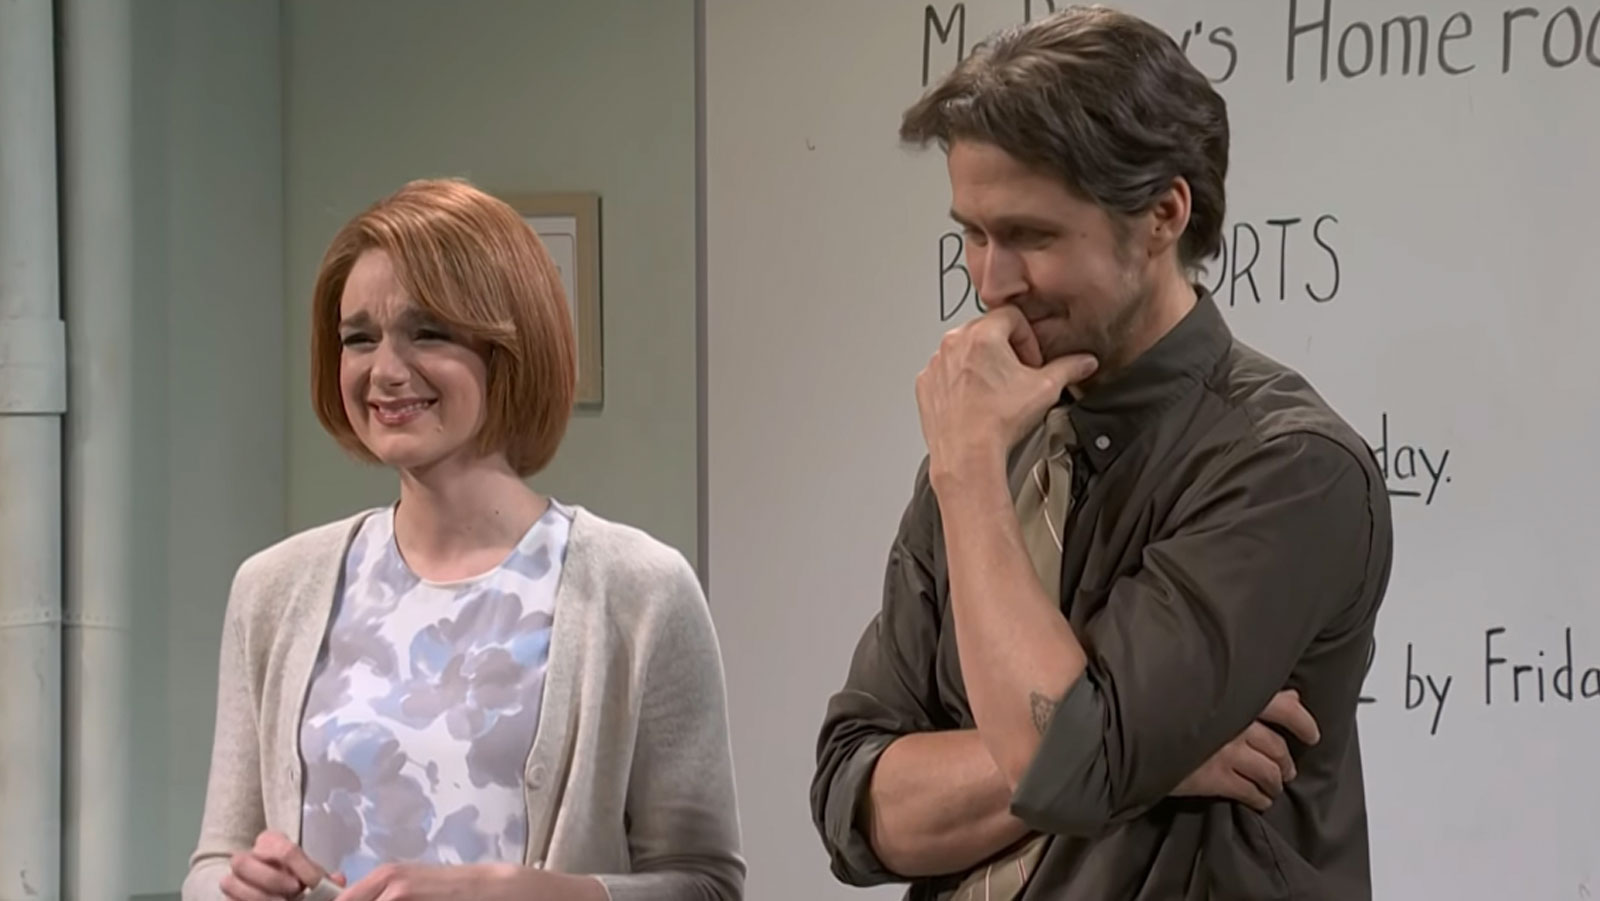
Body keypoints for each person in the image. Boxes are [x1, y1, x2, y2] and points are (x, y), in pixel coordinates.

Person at [811, 6, 1392, 900]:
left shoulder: (1291, 468)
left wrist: (1092, 756)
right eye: (972, 233)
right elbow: (856, 805)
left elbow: (1067, 764)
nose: (990, 281)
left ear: (1163, 214)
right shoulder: (982, 452)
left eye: (1032, 236)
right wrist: (1143, 760)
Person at [182, 178, 743, 901]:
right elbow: (213, 863)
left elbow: (708, 885)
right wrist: (241, 886)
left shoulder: (640, 590)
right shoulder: (273, 588)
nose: (386, 371)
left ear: (510, 347)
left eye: (428, 333)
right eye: (359, 339)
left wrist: (526, 893)